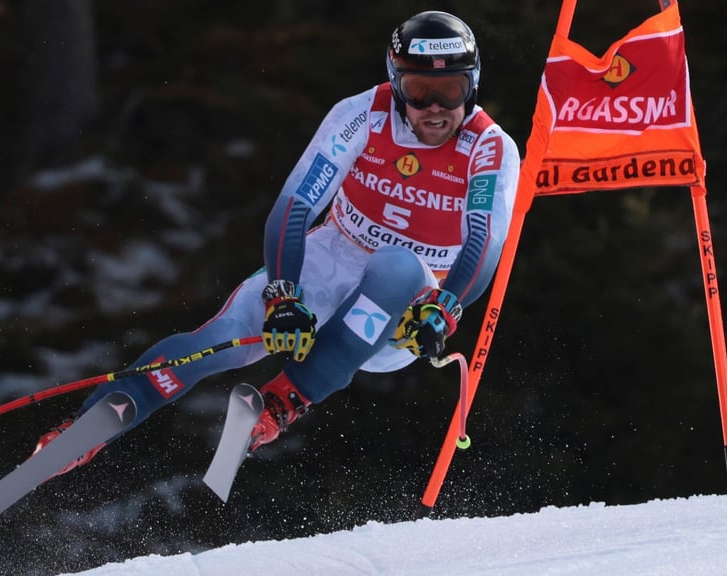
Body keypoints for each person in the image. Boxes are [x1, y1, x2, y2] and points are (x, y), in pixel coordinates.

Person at [33, 10, 520, 477]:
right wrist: (283, 294)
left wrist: (446, 306)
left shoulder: (488, 147)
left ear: (472, 85)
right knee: (219, 342)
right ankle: (84, 432)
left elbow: (485, 238)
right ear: (396, 85)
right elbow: (295, 205)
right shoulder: (362, 115)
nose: (435, 109)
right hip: (333, 257)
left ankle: (286, 399)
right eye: (419, 92)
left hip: (404, 308)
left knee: (399, 264)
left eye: (451, 91)